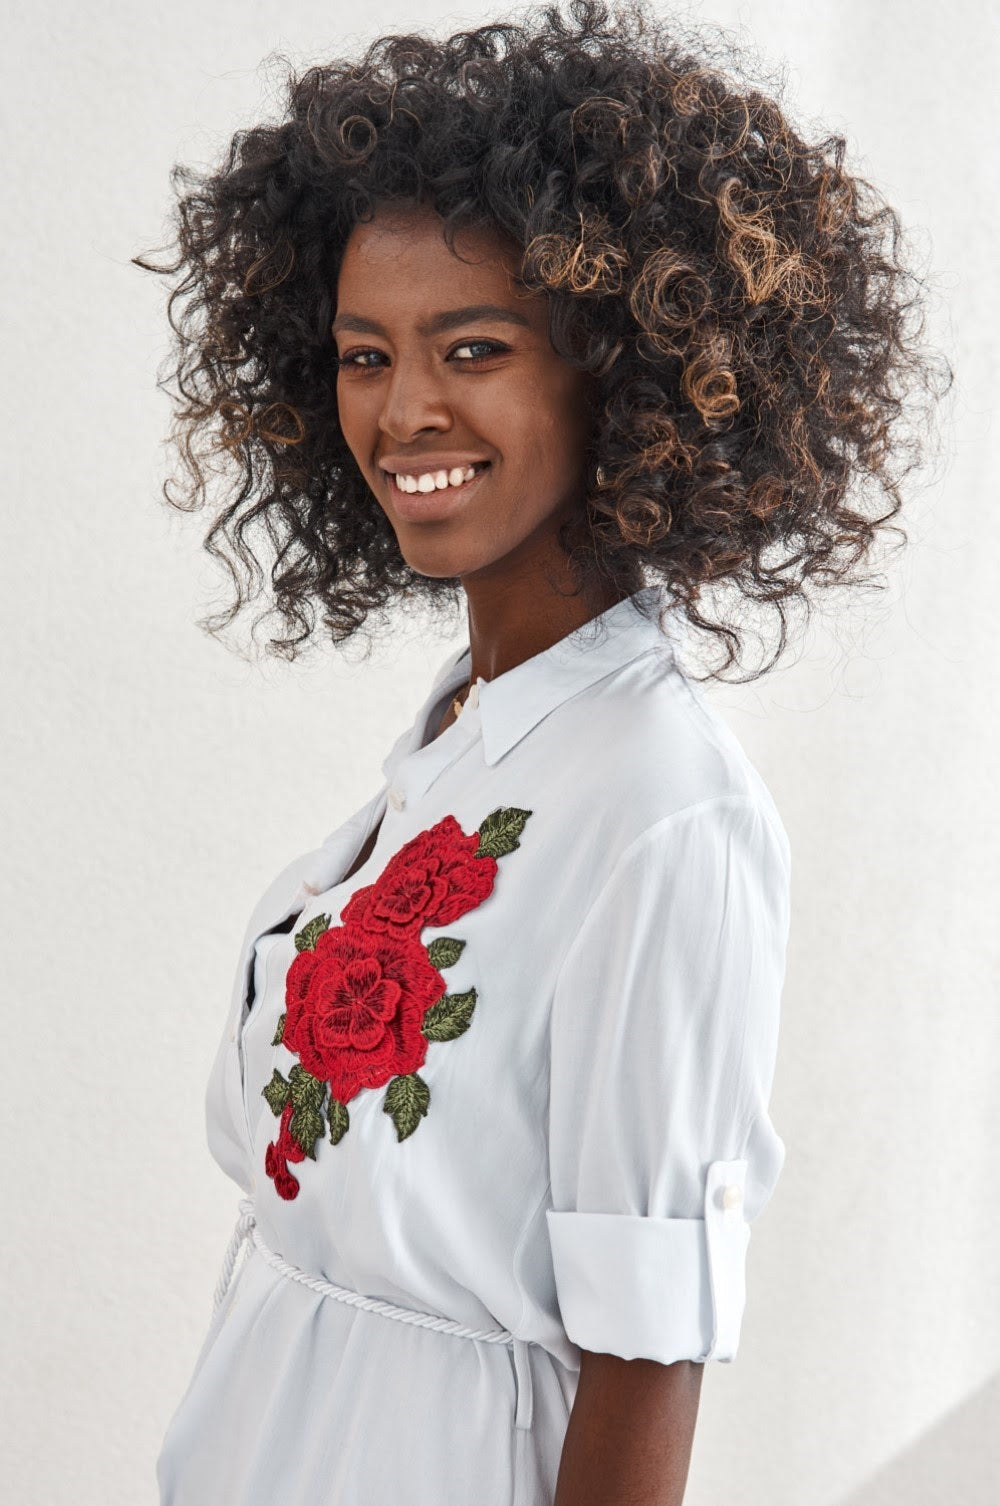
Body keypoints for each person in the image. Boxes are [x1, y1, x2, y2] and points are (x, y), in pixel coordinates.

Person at [135, 2, 948, 1501]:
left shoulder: (661, 808)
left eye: (476, 347)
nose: (404, 410)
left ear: (623, 372)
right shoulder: (467, 731)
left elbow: (649, 1362)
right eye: (363, 354)